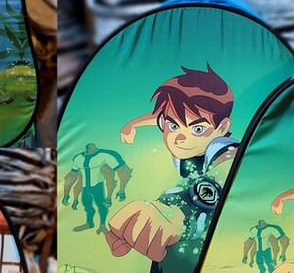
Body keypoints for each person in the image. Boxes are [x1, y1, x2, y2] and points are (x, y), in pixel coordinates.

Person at [107, 64, 239, 272]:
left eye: (198, 129)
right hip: (180, 246)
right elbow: (163, 116)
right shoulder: (184, 140)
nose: (180, 137)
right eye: (173, 127)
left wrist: (178, 210)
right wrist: (133, 124)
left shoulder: (225, 150)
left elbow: (216, 181)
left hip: (211, 244)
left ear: (222, 128)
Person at [63, 144, 132, 234]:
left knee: (101, 205)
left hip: (98, 186)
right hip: (85, 187)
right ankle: (89, 223)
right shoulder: (78, 158)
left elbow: (123, 170)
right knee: (87, 204)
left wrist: (121, 191)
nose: (89, 150)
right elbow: (73, 175)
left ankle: (102, 225)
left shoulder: (105, 155)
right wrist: (66, 194)